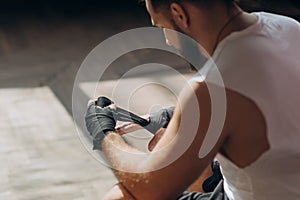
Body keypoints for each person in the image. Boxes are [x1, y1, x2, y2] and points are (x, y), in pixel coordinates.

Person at [85, 0, 300, 199]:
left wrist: (104, 133)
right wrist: (175, 115)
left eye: (162, 27)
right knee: (191, 156)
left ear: (180, 14)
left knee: (120, 197)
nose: (167, 41)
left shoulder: (213, 87)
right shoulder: (288, 28)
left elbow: (148, 187)